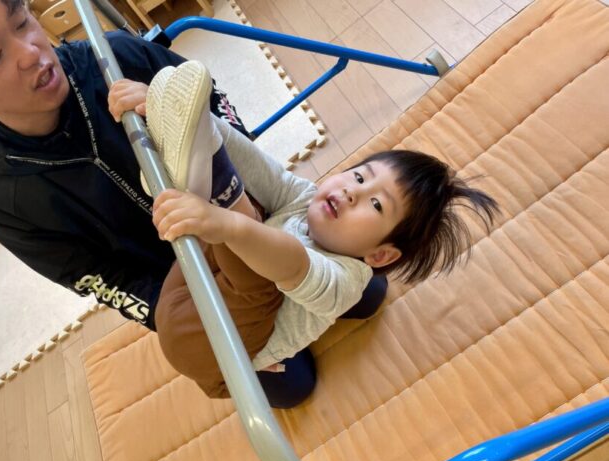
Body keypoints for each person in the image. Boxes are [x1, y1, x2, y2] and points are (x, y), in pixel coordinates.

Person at [0, 0, 386, 406]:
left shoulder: (115, 57)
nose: (31, 53)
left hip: (251, 224)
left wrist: (170, 113)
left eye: (22, 21)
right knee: (293, 386)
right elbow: (112, 283)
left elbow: (218, 111)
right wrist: (208, 332)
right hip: (199, 287)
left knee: (368, 294)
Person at [115, 60, 499, 408]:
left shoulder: (345, 280)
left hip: (209, 348)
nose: (351, 192)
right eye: (359, 176)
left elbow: (295, 265)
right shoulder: (307, 200)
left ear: (380, 255)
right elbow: (255, 164)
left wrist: (227, 223)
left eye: (375, 204)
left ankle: (212, 190)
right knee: (258, 213)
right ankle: (204, 174)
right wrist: (196, 121)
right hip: (190, 286)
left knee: (296, 383)